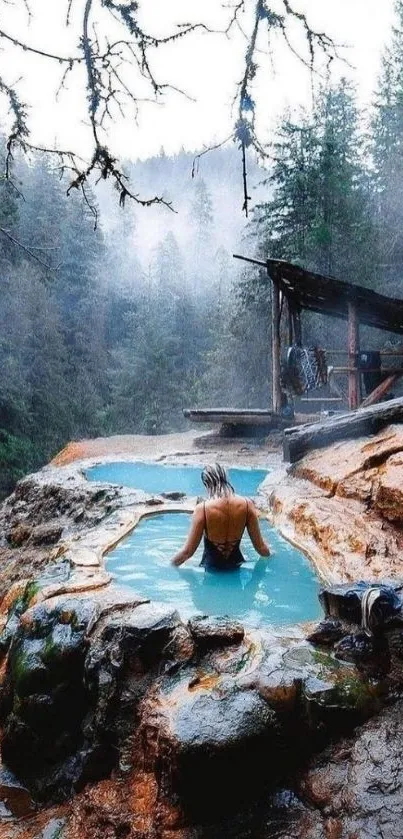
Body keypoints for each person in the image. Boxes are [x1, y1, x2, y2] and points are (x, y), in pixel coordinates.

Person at [170, 463, 271, 569]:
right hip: (236, 565)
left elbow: (187, 552)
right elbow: (261, 548)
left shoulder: (203, 509)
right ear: (226, 479)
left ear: (207, 484)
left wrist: (170, 566)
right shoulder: (247, 504)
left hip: (212, 569)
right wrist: (272, 555)